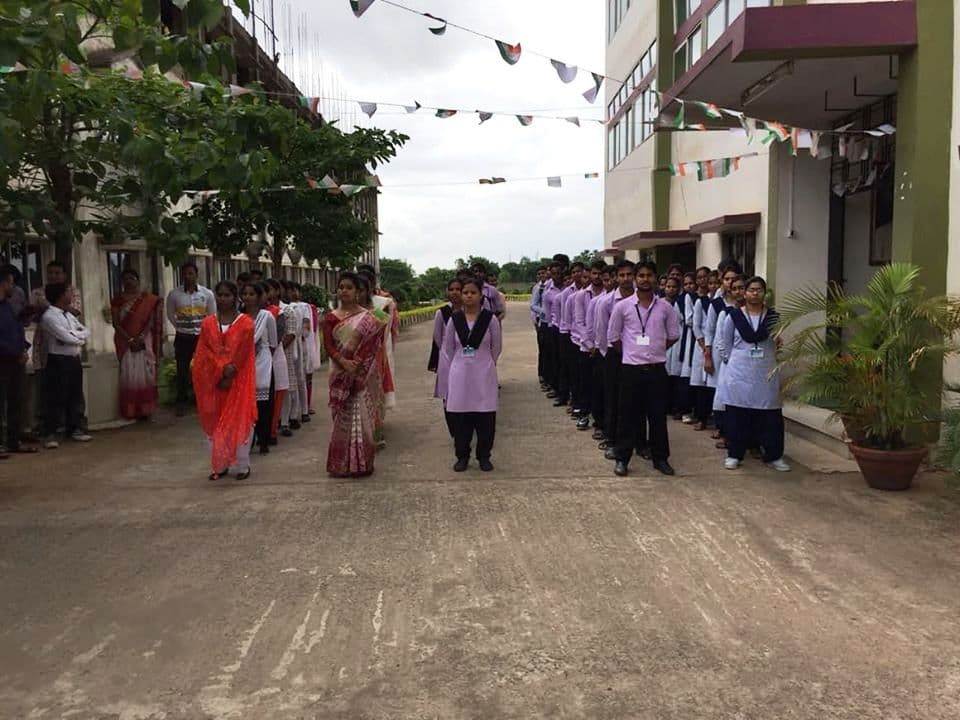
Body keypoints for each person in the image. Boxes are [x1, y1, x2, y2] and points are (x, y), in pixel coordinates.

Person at [607, 261, 680, 477]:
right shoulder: (622, 307)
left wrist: (655, 349)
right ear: (635, 279)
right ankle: (622, 458)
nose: (644, 279)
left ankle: (661, 459)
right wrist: (632, 353)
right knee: (627, 417)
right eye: (641, 275)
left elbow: (673, 335)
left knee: (658, 417)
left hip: (656, 370)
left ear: (656, 278)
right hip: (631, 370)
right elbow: (613, 337)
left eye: (649, 275)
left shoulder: (665, 307)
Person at [716, 276, 791, 472]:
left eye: (759, 289)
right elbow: (725, 344)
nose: (754, 293)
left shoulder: (773, 317)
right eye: (751, 289)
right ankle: (734, 454)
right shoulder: (734, 317)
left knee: (770, 415)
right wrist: (734, 363)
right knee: (737, 415)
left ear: (764, 293)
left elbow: (778, 342)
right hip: (740, 372)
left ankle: (774, 456)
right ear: (744, 293)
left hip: (765, 371)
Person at [191, 281, 257, 481]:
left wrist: (231, 372)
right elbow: (203, 353)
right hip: (213, 382)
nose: (223, 299)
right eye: (219, 295)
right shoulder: (208, 324)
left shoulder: (246, 323)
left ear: (235, 297)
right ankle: (219, 465)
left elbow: (244, 353)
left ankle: (243, 466)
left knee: (240, 419)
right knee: (215, 422)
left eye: (227, 295)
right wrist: (220, 371)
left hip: (240, 380)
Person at [322, 272, 386, 478]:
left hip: (363, 374)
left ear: (358, 292)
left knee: (363, 416)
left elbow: (376, 346)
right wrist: (344, 362)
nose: (344, 291)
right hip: (339, 372)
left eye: (349, 287)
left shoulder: (371, 317)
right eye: (341, 287)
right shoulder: (331, 317)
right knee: (342, 416)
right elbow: (329, 346)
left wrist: (358, 367)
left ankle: (363, 462)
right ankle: (340, 463)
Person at [441, 278, 502, 472]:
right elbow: (448, 347)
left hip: (484, 372)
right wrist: (459, 364)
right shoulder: (455, 319)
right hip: (459, 373)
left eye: (473, 292)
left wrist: (484, 362)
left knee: (485, 417)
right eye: (465, 292)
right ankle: (462, 456)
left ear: (480, 295)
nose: (468, 296)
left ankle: (484, 456)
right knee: (461, 418)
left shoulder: (489, 319)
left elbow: (496, 347)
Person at [40, 283, 92, 448]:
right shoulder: (49, 316)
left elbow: (85, 330)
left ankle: (75, 428)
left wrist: (76, 337)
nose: (71, 294)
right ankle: (50, 432)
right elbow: (65, 336)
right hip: (58, 359)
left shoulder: (68, 315)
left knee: (75, 393)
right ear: (61, 295)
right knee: (56, 395)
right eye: (68, 292)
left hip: (73, 358)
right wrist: (77, 338)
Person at [110, 269, 163, 420]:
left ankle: (146, 410)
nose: (129, 281)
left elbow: (151, 321)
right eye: (125, 279)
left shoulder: (147, 299)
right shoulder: (118, 300)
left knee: (146, 373)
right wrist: (129, 340)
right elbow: (116, 323)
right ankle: (130, 410)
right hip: (125, 342)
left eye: (132, 278)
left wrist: (141, 337)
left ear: (138, 281)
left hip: (144, 341)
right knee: (128, 374)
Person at [166, 262, 216, 416]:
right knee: (182, 369)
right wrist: (181, 327)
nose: (188, 276)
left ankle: (203, 400)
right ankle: (181, 401)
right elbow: (170, 314)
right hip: (183, 336)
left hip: (201, 337)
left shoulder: (207, 294)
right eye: (185, 273)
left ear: (196, 274)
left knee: (203, 369)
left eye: (191, 273)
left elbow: (212, 315)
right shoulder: (174, 295)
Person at [595, 259, 635, 451]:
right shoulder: (606, 302)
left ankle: (639, 442)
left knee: (636, 401)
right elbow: (602, 333)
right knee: (613, 398)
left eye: (629, 274)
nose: (626, 278)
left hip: (639, 357)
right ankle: (612, 439)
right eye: (622, 275)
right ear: (616, 278)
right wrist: (609, 355)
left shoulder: (644, 298)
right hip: (614, 355)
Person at [0, 266, 35, 457]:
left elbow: (17, 329)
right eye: (12, 283)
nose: (14, 287)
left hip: (15, 359)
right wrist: (15, 351)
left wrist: (23, 348)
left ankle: (14, 441)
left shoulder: (8, 306)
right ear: (4, 282)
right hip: (3, 359)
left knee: (16, 400)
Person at [241, 283, 278, 455]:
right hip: (243, 364)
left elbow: (272, 342)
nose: (248, 297)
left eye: (251, 293)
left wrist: (261, 357)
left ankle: (264, 439)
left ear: (258, 296)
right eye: (245, 293)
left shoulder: (266, 316)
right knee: (245, 404)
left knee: (264, 405)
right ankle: (248, 438)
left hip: (263, 363)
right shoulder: (238, 318)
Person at [572, 260, 605, 430]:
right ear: (589, 274)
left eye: (600, 273)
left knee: (600, 385)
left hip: (603, 348)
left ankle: (600, 419)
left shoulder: (608, 294)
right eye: (594, 273)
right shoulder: (581, 295)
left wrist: (599, 346)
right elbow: (579, 322)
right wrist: (590, 344)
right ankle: (583, 414)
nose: (597, 277)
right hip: (586, 346)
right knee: (585, 382)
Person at [430, 279, 463, 438]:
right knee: (448, 396)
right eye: (451, 289)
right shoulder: (441, 313)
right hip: (447, 359)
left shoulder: (472, 311)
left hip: (466, 358)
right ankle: (455, 432)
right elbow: (438, 337)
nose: (455, 292)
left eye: (458, 289)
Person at [264, 279, 290, 444]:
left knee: (276, 395)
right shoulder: (243, 313)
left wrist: (265, 354)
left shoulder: (277, 312)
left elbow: (278, 337)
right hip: (253, 360)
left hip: (273, 356)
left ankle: (272, 431)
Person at [690, 266, 713, 431]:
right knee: (701, 386)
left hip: (717, 347)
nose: (706, 282)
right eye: (702, 278)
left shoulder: (720, 301)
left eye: (711, 280)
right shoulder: (699, 301)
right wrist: (705, 346)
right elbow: (696, 326)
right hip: (703, 346)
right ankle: (701, 418)